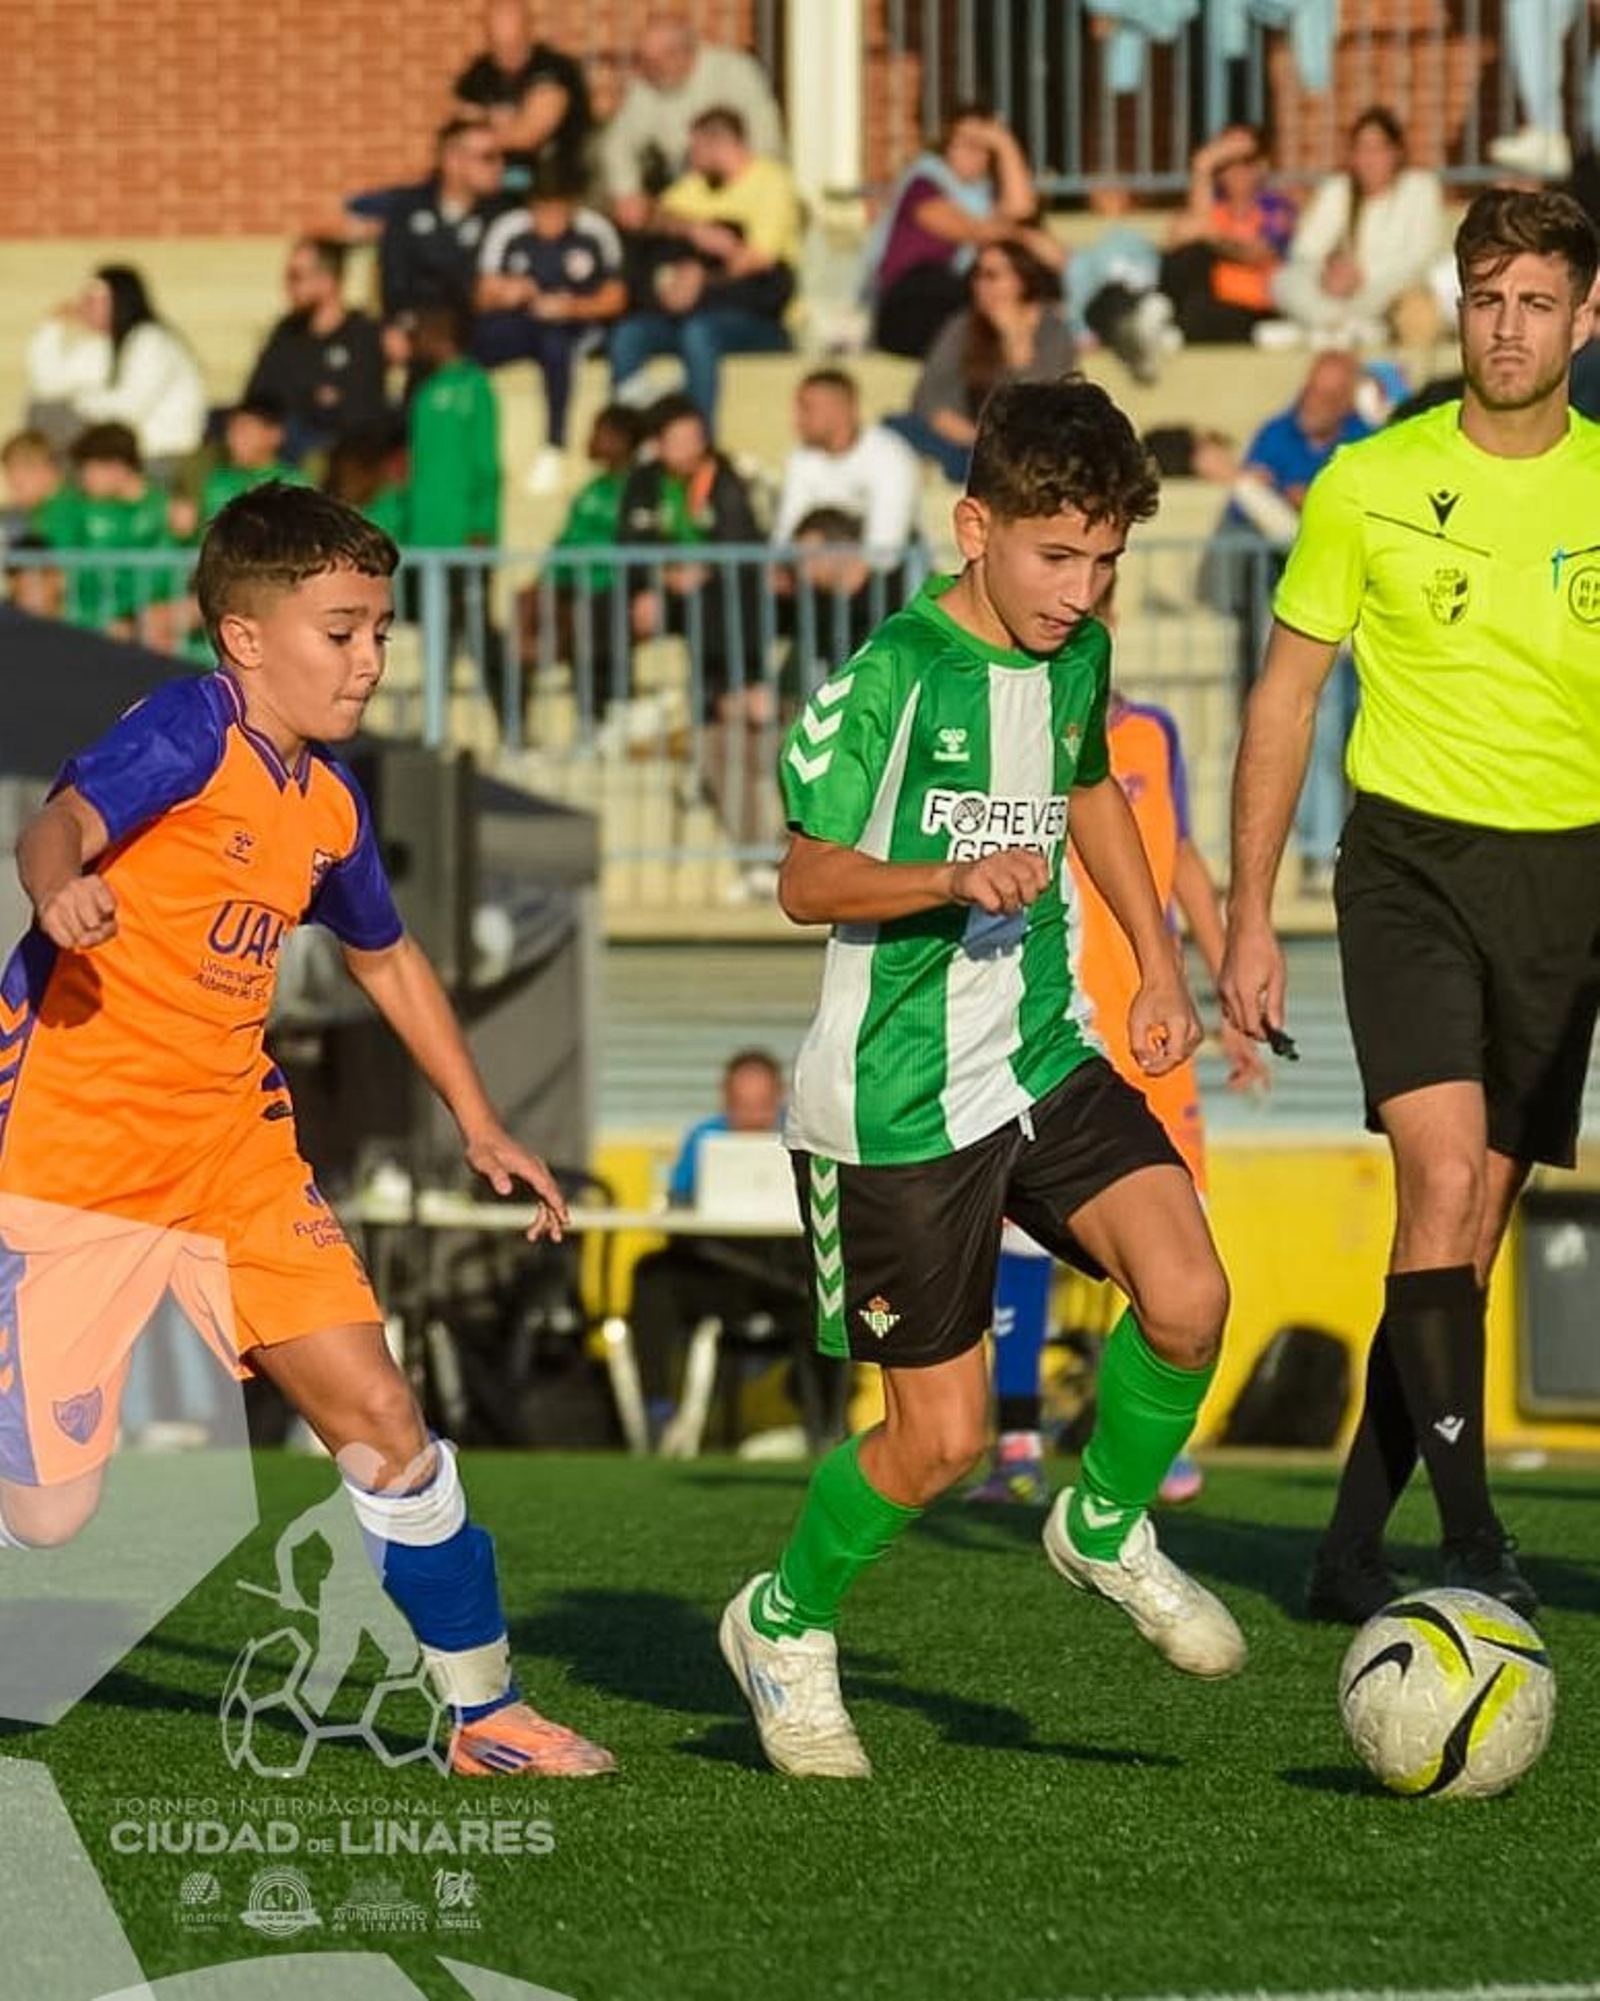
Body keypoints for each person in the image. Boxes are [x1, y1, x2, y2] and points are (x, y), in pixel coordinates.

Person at [0, 482, 613, 1778]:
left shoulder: (325, 803)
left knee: (384, 1416)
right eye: (341, 631)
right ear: (244, 637)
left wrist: (482, 1118)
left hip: (233, 1152)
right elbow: (57, 820)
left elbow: (390, 961)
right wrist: (60, 895)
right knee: (51, 1517)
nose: (370, 657)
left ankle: (485, 1713)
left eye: (380, 630)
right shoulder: (188, 729)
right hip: (67, 1165)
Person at [718, 377, 1247, 1781]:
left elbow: (1088, 792)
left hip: (1044, 1052)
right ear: (974, 527)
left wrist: (1158, 965)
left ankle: (1107, 1521)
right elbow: (802, 877)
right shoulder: (891, 670)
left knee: (1189, 1298)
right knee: (939, 1441)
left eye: (1105, 561)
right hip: (895, 1100)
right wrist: (950, 874)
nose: (1079, 590)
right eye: (1053, 556)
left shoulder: (1077, 656)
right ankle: (782, 1622)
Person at [1219, 188, 1600, 1626]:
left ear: (1586, 316)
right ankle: (1477, 1539)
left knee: (1469, 1233)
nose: (1509, 327)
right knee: (1438, 1186)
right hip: (1409, 868)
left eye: (1537, 302)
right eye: (1487, 298)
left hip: (1570, 881)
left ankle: (1343, 1549)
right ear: (1457, 306)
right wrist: (1249, 919)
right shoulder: (1368, 481)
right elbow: (1283, 697)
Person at [967, 685, 1270, 1506]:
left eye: (1098, 582)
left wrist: (1224, 987)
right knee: (1023, 1243)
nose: (1080, 605)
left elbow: (1185, 861)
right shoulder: (1015, 724)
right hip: (1058, 1021)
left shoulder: (1153, 732)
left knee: (1173, 1237)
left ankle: (1143, 1440)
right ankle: (1018, 1441)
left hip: (1153, 1021)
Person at [1215, 351, 1372, 885]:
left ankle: (1351, 843)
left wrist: (1294, 497)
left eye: (1327, 398)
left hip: (1362, 614)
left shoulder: (1365, 440)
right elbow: (1254, 509)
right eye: (1310, 393)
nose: (1313, 406)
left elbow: (1358, 518)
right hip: (1304, 616)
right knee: (1318, 727)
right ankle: (1321, 847)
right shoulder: (1275, 432)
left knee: (1359, 735)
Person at [628, 1050, 828, 1446]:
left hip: (785, 1275)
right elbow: (677, 1208)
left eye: (760, 1105)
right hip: (718, 1270)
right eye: (742, 1105)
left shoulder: (806, 1136)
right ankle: (658, 1409)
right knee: (651, 1275)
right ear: (725, 1099)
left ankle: (825, 1421)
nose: (752, 1117)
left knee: (829, 1290)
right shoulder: (703, 1137)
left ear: (779, 1097)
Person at [609, 106, 801, 425]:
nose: (690, 157)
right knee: (629, 334)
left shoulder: (771, 182)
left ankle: (697, 444)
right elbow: (650, 215)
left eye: (696, 148)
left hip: (755, 315)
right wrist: (694, 230)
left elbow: (757, 259)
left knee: (699, 333)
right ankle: (629, 442)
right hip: (687, 311)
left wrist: (702, 279)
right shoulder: (695, 185)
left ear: (721, 145)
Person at [474, 172, 627, 492]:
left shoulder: (595, 232)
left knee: (557, 344)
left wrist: (570, 307)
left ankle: (555, 443)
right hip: (522, 323)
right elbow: (481, 294)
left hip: (578, 327)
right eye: (541, 210)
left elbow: (616, 298)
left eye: (556, 210)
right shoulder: (510, 229)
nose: (548, 219)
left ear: (570, 207)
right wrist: (508, 291)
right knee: (476, 342)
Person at [865, 105, 1054, 359]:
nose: (975, 154)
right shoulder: (923, 183)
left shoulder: (983, 194)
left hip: (952, 299)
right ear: (947, 146)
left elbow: (1021, 210)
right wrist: (1026, 237)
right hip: (911, 302)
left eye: (984, 147)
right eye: (966, 144)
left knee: (1013, 277)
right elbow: (976, 231)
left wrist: (1005, 144)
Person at [886, 238, 1077, 482]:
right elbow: (928, 395)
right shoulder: (962, 325)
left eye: (992, 275)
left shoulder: (1052, 330)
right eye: (976, 275)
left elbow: (1043, 402)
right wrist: (973, 437)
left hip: (1027, 443)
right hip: (965, 437)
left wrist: (1013, 340)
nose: (980, 284)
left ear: (1021, 279)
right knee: (894, 429)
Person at [1266, 107, 1444, 347]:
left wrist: (1363, 274)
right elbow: (1304, 250)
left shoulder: (1420, 188)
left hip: (1388, 289)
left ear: (1395, 153)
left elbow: (1422, 255)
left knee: (1408, 295)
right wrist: (1330, 269)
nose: (1368, 159)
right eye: (1360, 149)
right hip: (1335, 294)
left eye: (1377, 149)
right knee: (1284, 280)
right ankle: (1337, 326)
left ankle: (1320, 329)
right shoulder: (1339, 189)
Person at [599, 9, 785, 225]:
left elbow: (766, 138)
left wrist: (742, 186)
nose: (651, 69)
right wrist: (627, 192)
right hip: (686, 185)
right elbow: (618, 143)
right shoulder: (646, 85)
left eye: (660, 60)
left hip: (747, 182)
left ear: (686, 52)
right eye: (645, 61)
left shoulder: (735, 71)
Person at [24, 266, 205, 478]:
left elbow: (128, 408)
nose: (84, 306)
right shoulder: (100, 345)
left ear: (121, 301)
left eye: (95, 300)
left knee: (61, 415)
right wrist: (52, 327)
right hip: (112, 455)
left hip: (159, 457)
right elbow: (46, 385)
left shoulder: (152, 340)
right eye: (85, 299)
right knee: (43, 408)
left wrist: (78, 402)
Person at [243, 239, 388, 462]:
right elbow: (258, 396)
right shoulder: (286, 332)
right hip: (281, 453)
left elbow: (358, 414)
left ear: (327, 281)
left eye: (296, 276)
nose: (287, 286)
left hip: (337, 459)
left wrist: (309, 404)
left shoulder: (362, 335)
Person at [1159, 124, 1297, 344]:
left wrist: (1213, 238)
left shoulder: (1276, 207)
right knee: (1188, 257)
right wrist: (1202, 166)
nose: (1236, 171)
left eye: (1246, 161)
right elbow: (1177, 241)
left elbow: (1258, 254)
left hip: (1252, 310)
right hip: (1206, 303)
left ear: (1261, 166)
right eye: (1225, 164)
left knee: (1198, 310)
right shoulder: (1214, 207)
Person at [770, 369, 921, 563]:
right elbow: (786, 534)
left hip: (890, 580)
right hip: (818, 576)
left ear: (841, 408)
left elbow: (886, 551)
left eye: (806, 408)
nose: (797, 419)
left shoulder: (890, 455)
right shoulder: (800, 458)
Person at [452, 1, 590, 194]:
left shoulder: (555, 68)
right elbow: (463, 132)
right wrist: (505, 127)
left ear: (528, 31)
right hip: (495, 176)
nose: (506, 53)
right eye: (497, 44)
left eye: (513, 44)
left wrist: (488, 125)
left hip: (552, 177)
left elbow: (528, 137)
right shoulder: (478, 74)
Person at [379, 119, 507, 325]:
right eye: (488, 158)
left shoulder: (504, 215)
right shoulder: (407, 210)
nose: (501, 166)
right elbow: (395, 283)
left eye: (502, 157)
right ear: (452, 161)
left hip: (487, 332)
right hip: (423, 330)